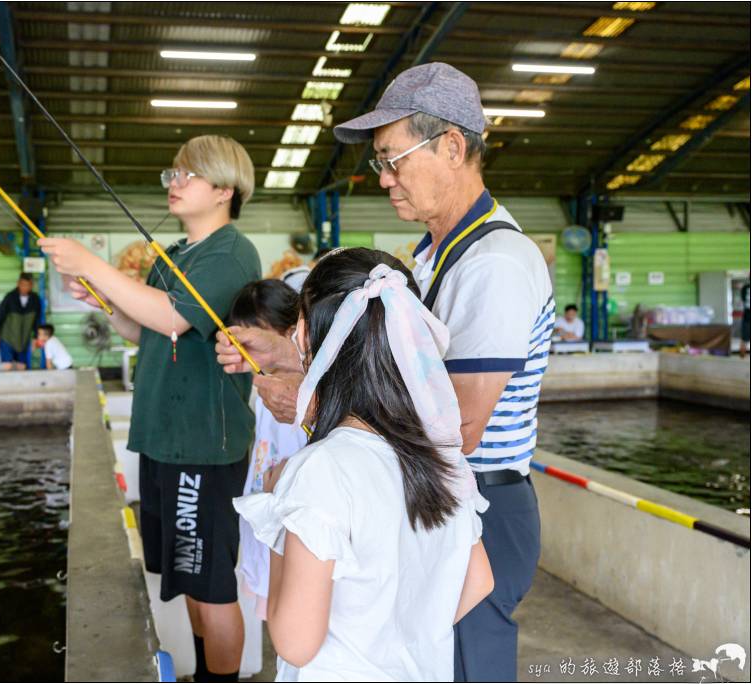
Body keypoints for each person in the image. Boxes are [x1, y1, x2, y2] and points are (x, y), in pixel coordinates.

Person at [217, 63, 554, 682]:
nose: (386, 180)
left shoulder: (495, 263)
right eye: (380, 163)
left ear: (453, 146)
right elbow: (390, 372)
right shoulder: (428, 258)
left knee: (463, 664)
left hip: (467, 504)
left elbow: (461, 424)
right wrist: (287, 359)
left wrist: (316, 407)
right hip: (422, 496)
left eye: (394, 159)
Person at [39, 134, 261, 681]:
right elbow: (150, 331)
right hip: (164, 439)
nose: (175, 184)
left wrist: (93, 261)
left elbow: (174, 318)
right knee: (184, 577)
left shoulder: (231, 252)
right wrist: (108, 302)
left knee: (211, 586)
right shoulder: (176, 255)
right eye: (172, 174)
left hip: (204, 445)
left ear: (225, 190)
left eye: (187, 175)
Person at [234, 249, 493, 681]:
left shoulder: (319, 470)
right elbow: (478, 581)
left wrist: (280, 507)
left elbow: (295, 643)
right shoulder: (439, 456)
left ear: (302, 335)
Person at [226, 280, 308, 622]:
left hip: (291, 518)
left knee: (295, 607)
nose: (247, 347)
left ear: (291, 332)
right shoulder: (259, 385)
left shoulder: (307, 390)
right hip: (263, 509)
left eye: (256, 334)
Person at [0, 273, 42, 370]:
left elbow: (37, 320)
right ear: (18, 283)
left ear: (31, 285)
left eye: (28, 285)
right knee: (7, 365)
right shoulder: (10, 297)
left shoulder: (35, 299)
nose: (25, 287)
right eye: (23, 284)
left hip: (23, 339)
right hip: (7, 337)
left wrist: (35, 338)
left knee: (21, 365)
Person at [740, 282, 750, 359]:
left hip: (747, 315)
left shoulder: (745, 287)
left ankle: (742, 357)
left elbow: (743, 300)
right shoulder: (745, 287)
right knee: (744, 339)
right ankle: (743, 356)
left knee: (744, 339)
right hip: (747, 315)